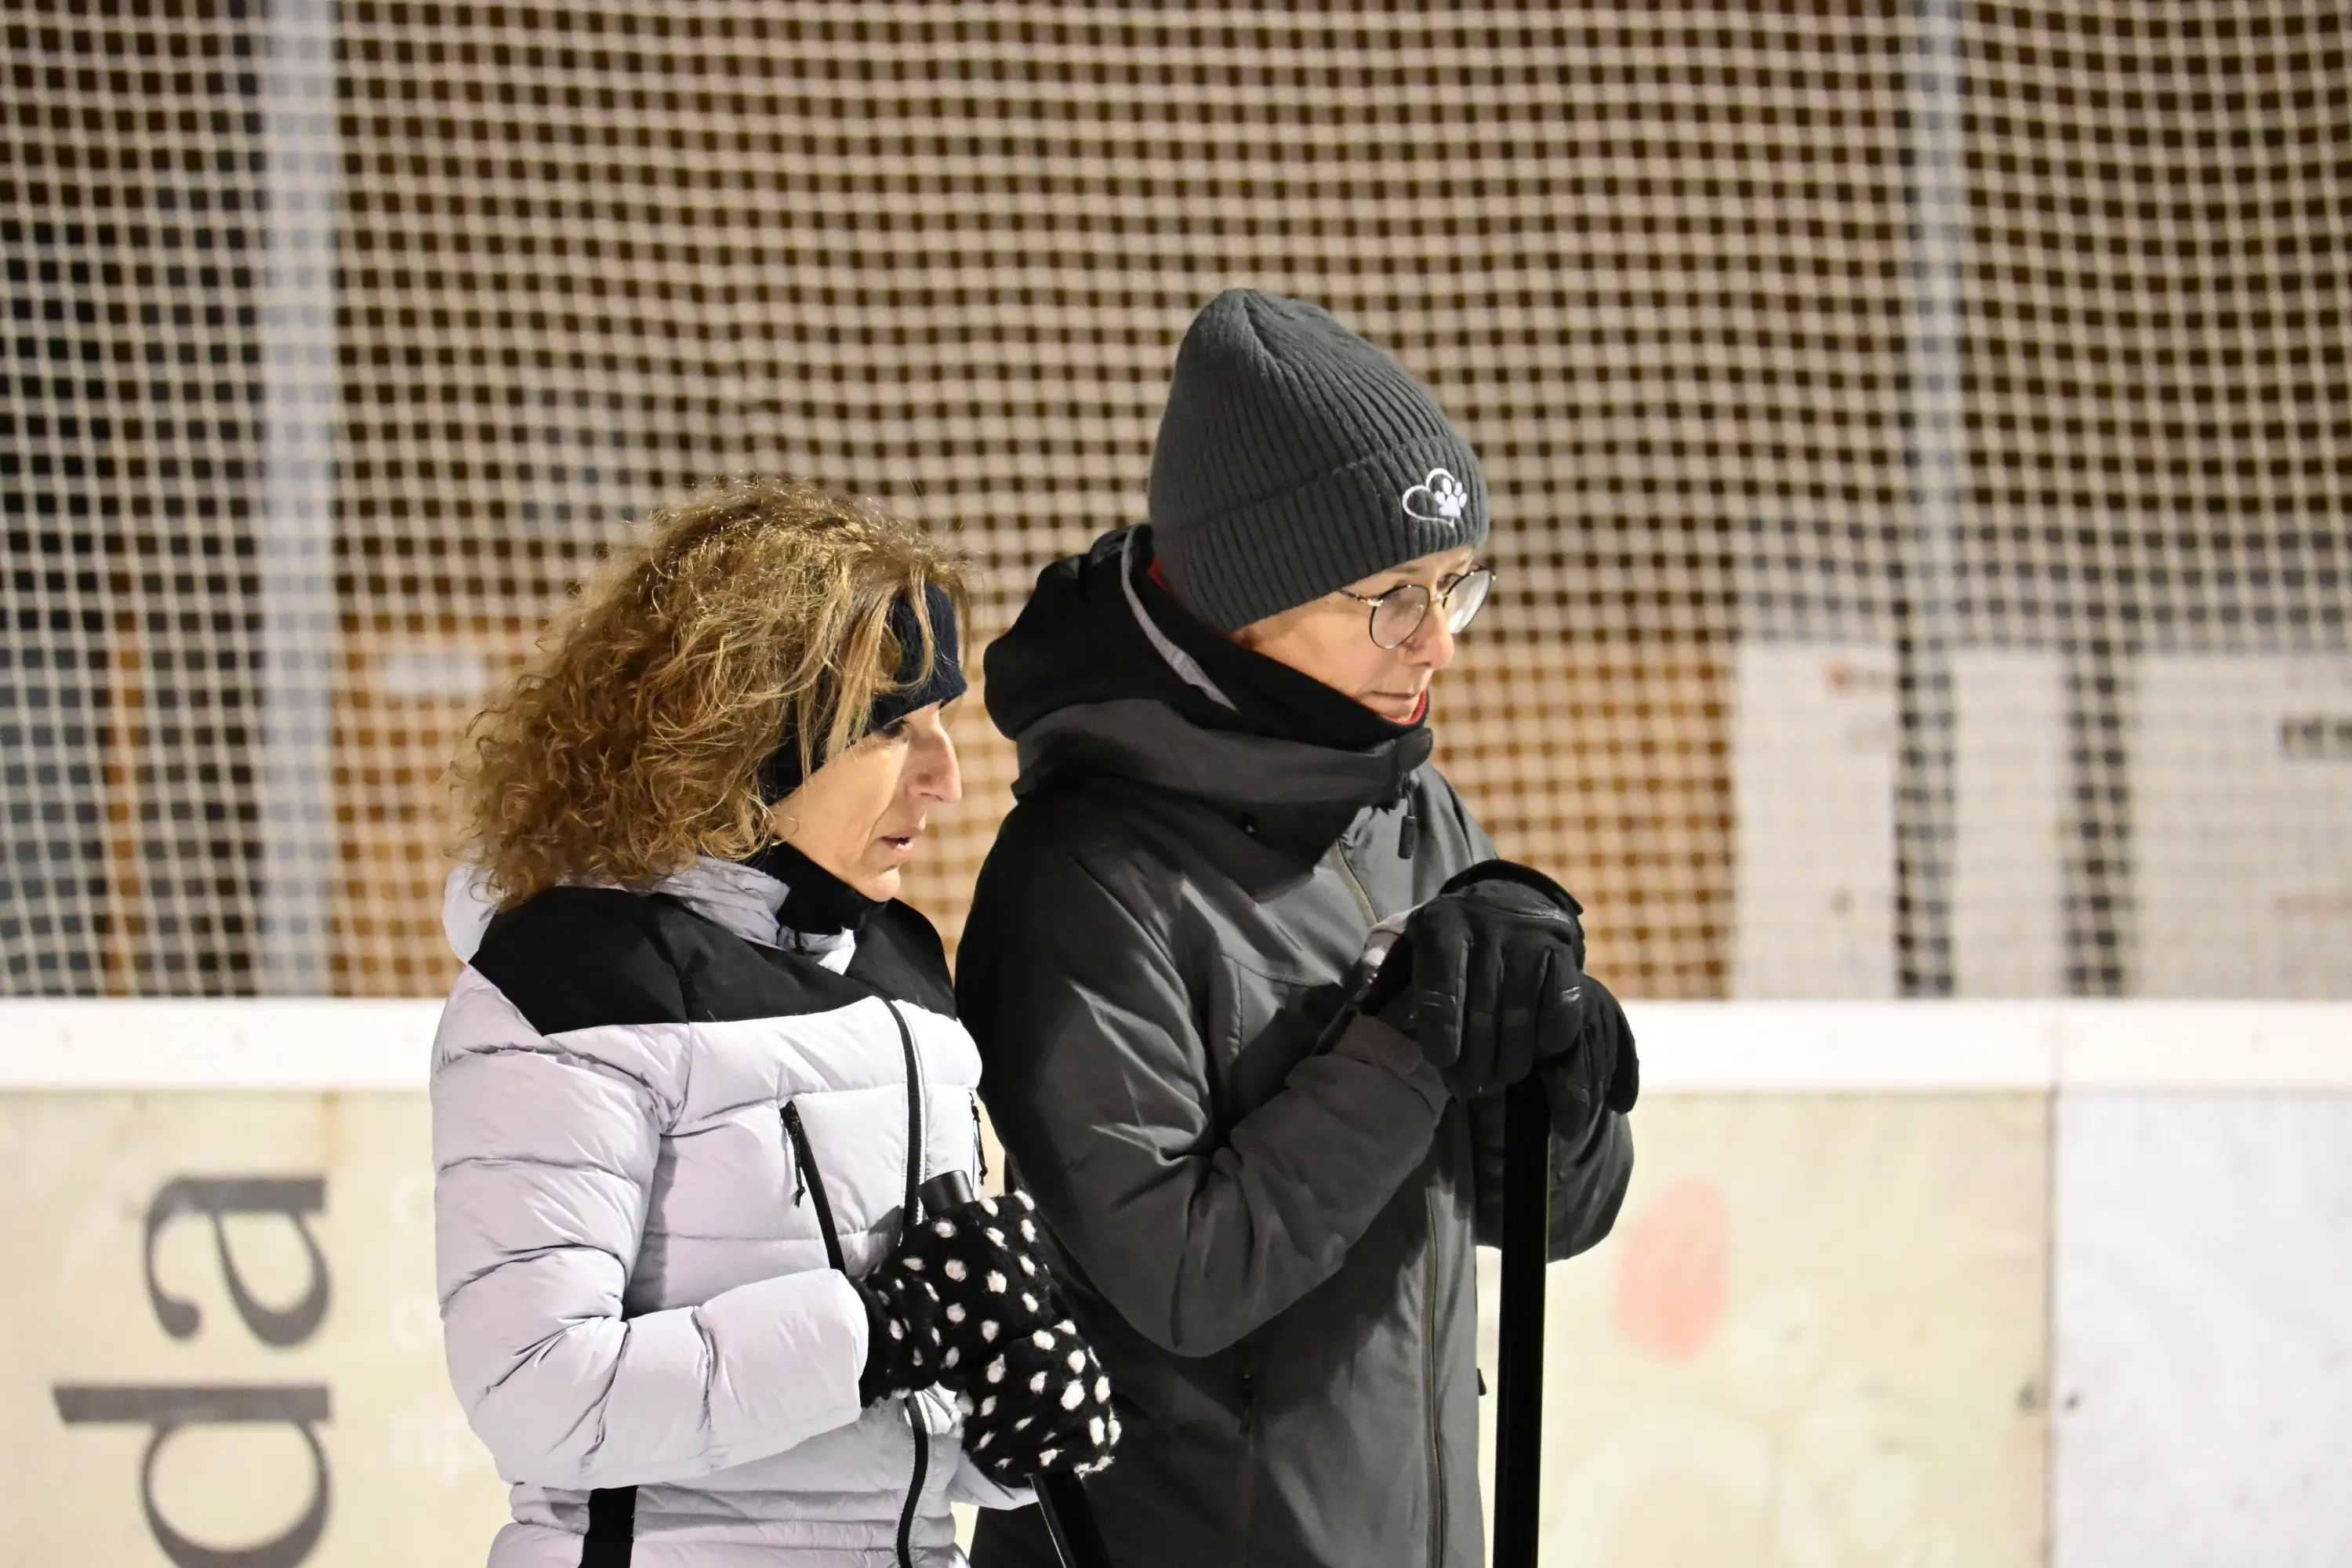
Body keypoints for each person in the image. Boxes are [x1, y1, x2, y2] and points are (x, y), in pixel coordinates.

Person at [959, 290, 1639, 1567]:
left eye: (1456, 587)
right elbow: (1181, 1279)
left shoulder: (1411, 807)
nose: (1438, 642)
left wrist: (1556, 1067)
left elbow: (1556, 1214)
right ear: (1244, 600)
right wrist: (1410, 1036)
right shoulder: (1084, 875)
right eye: (1389, 595)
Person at [433, 477, 1115, 1568]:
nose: (944, 780)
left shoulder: (903, 976)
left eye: (942, 724)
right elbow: (539, 1393)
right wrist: (880, 1330)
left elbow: (886, 1421)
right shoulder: (572, 983)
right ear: (754, 735)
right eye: (895, 728)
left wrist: (1006, 1410)